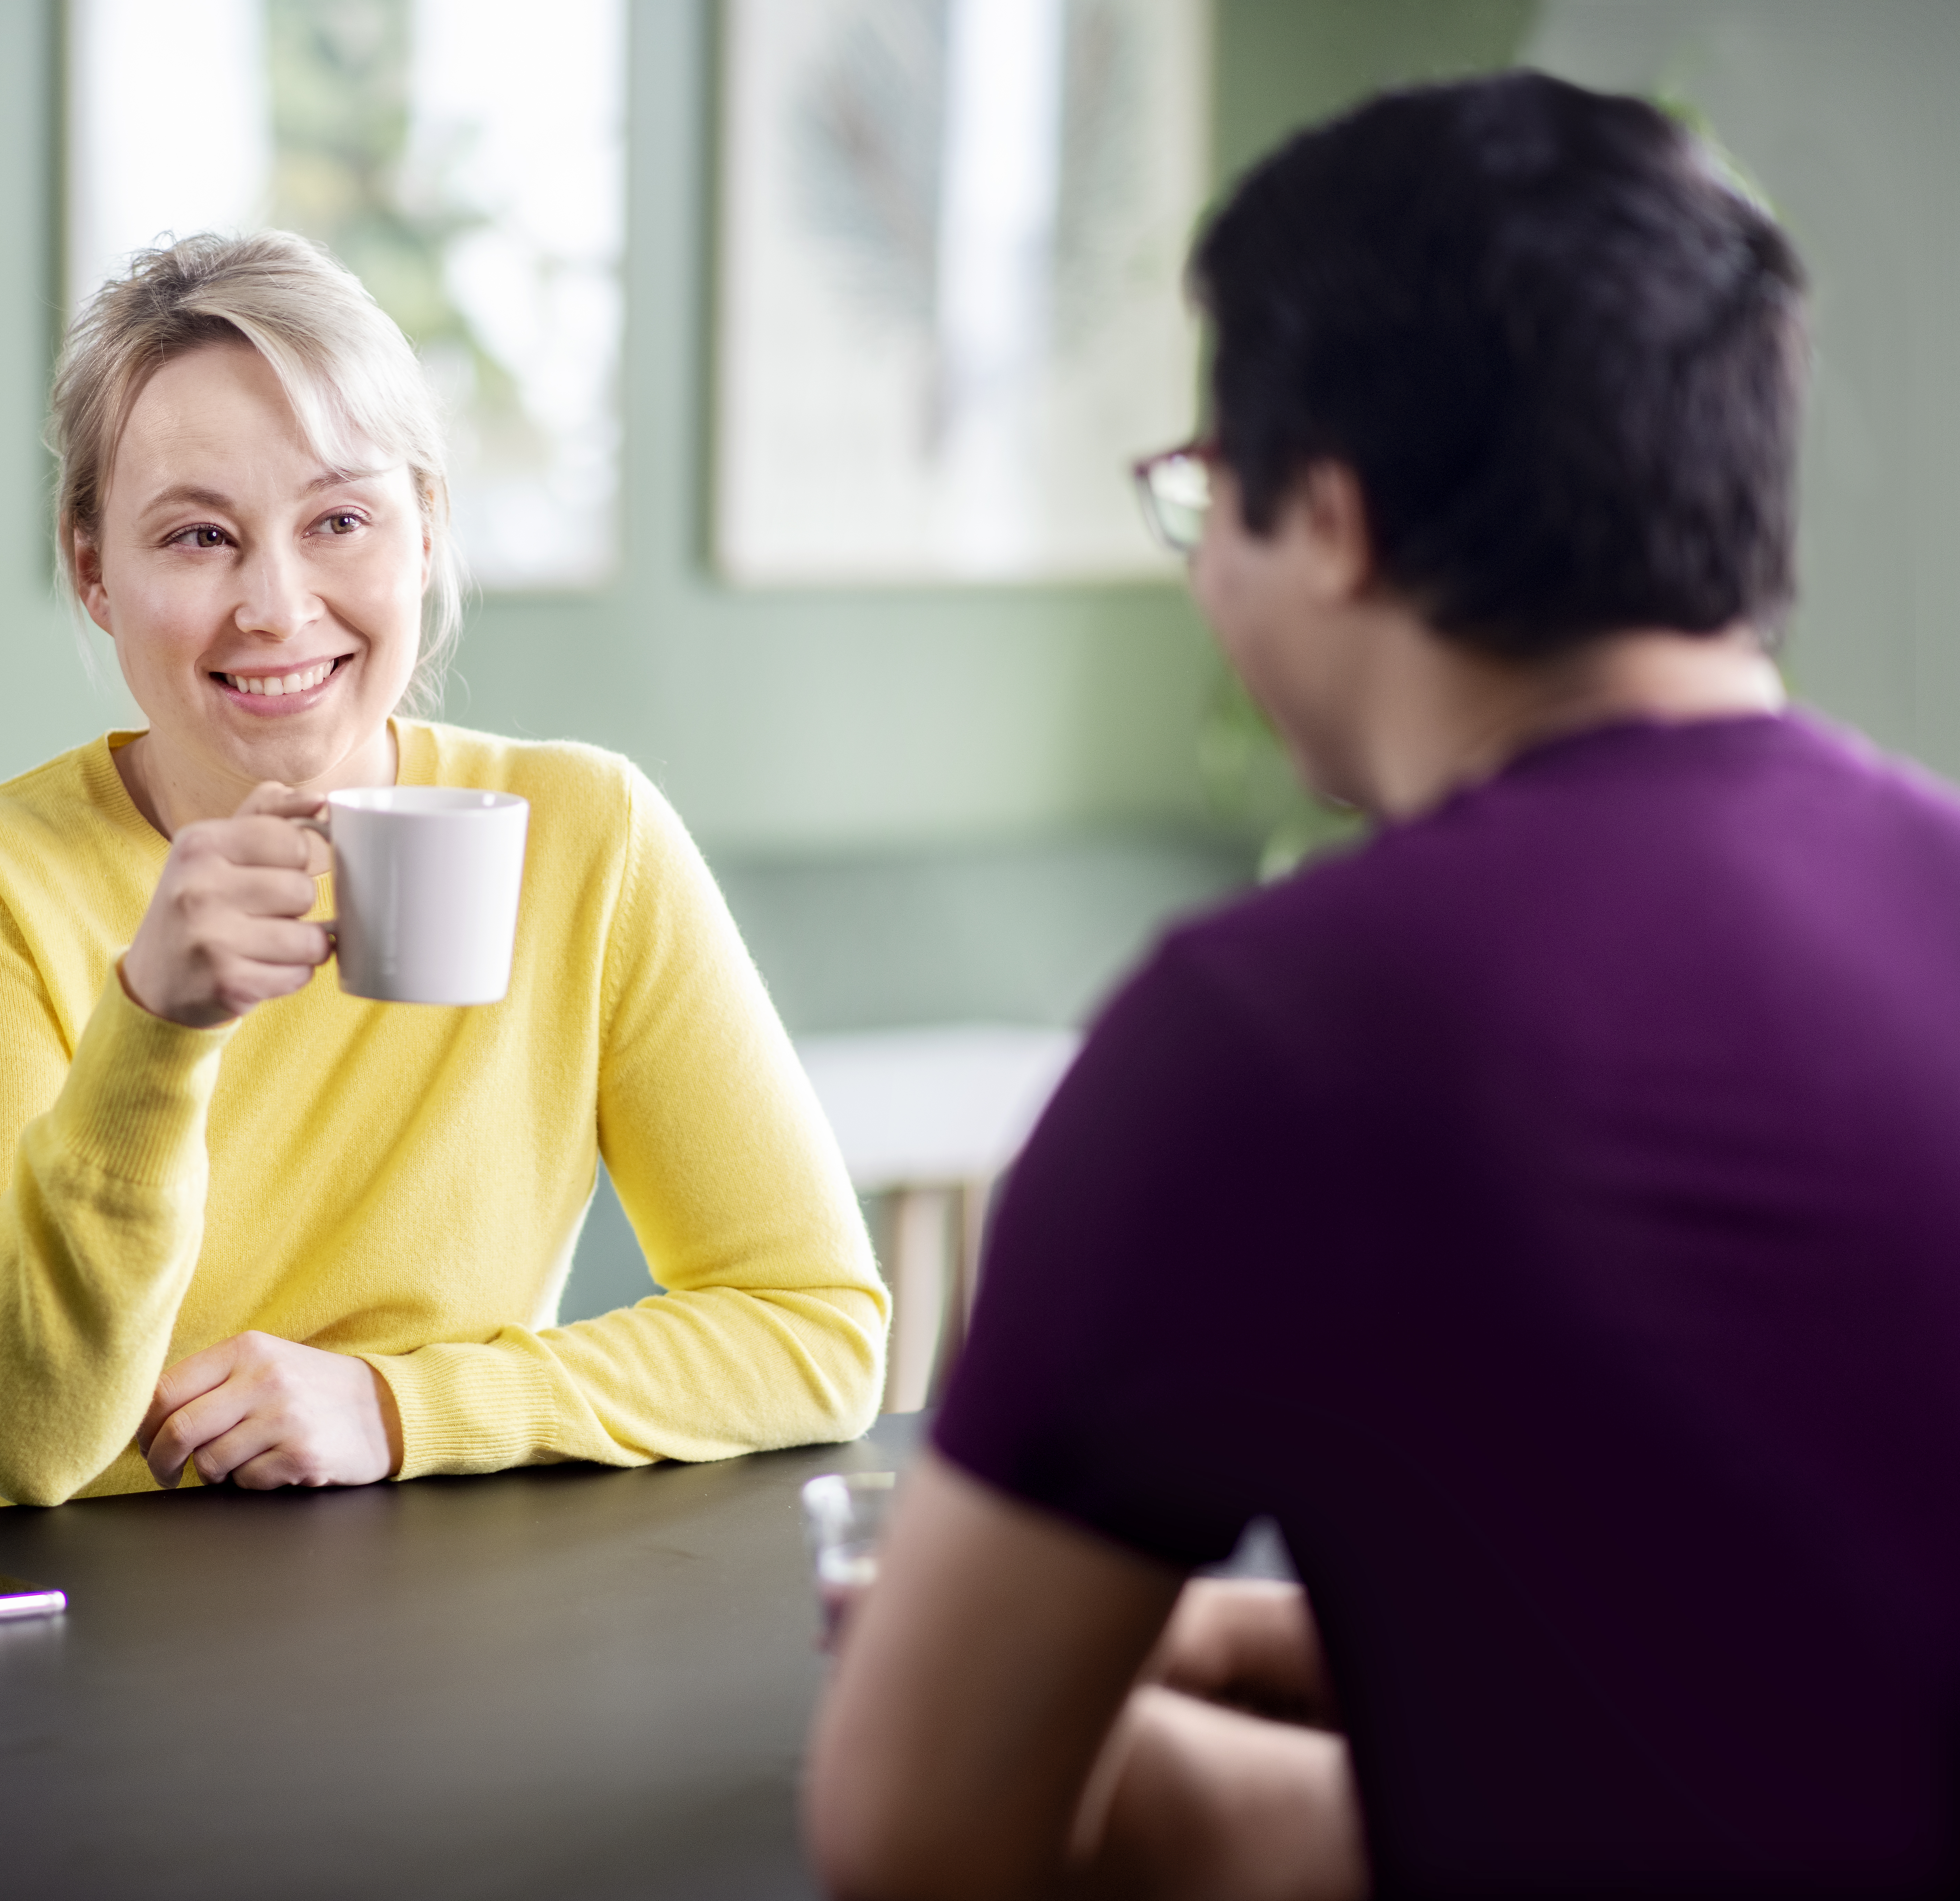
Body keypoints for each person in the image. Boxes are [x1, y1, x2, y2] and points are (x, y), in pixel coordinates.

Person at [807, 73, 1960, 1901]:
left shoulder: (1268, 1038)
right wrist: (1249, 1650)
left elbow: (916, 1828)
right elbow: (1788, 1611)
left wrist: (1205, 1778)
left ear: (1328, 520)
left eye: (1207, 502)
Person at [0, 232, 883, 1527]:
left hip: (325, 1606)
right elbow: (26, 1442)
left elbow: (814, 1334)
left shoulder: (587, 836)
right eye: (196, 537)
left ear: (424, 533)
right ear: (93, 575)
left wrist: (402, 1409)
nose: (278, 608)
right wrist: (154, 1030)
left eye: (339, 520)